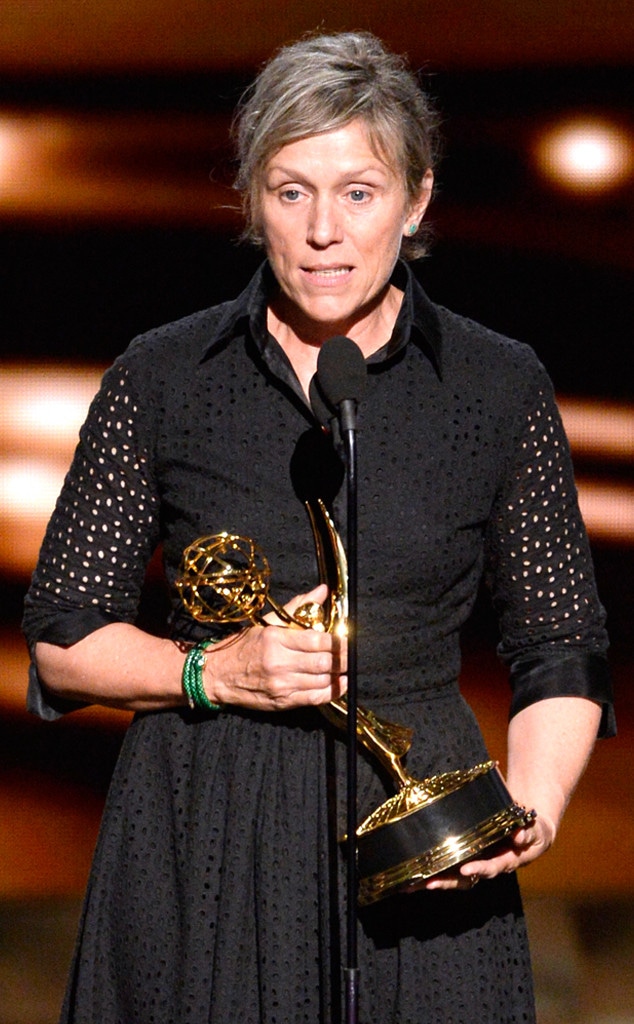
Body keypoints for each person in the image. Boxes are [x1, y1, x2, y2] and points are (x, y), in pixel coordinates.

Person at [23, 30, 613, 1024]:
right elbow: (63, 639)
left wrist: (531, 810)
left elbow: (560, 645)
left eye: (358, 192)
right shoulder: (163, 377)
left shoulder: (496, 383)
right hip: (202, 828)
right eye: (291, 191)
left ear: (415, 200)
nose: (323, 231)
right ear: (251, 200)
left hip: (423, 836)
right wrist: (215, 672)